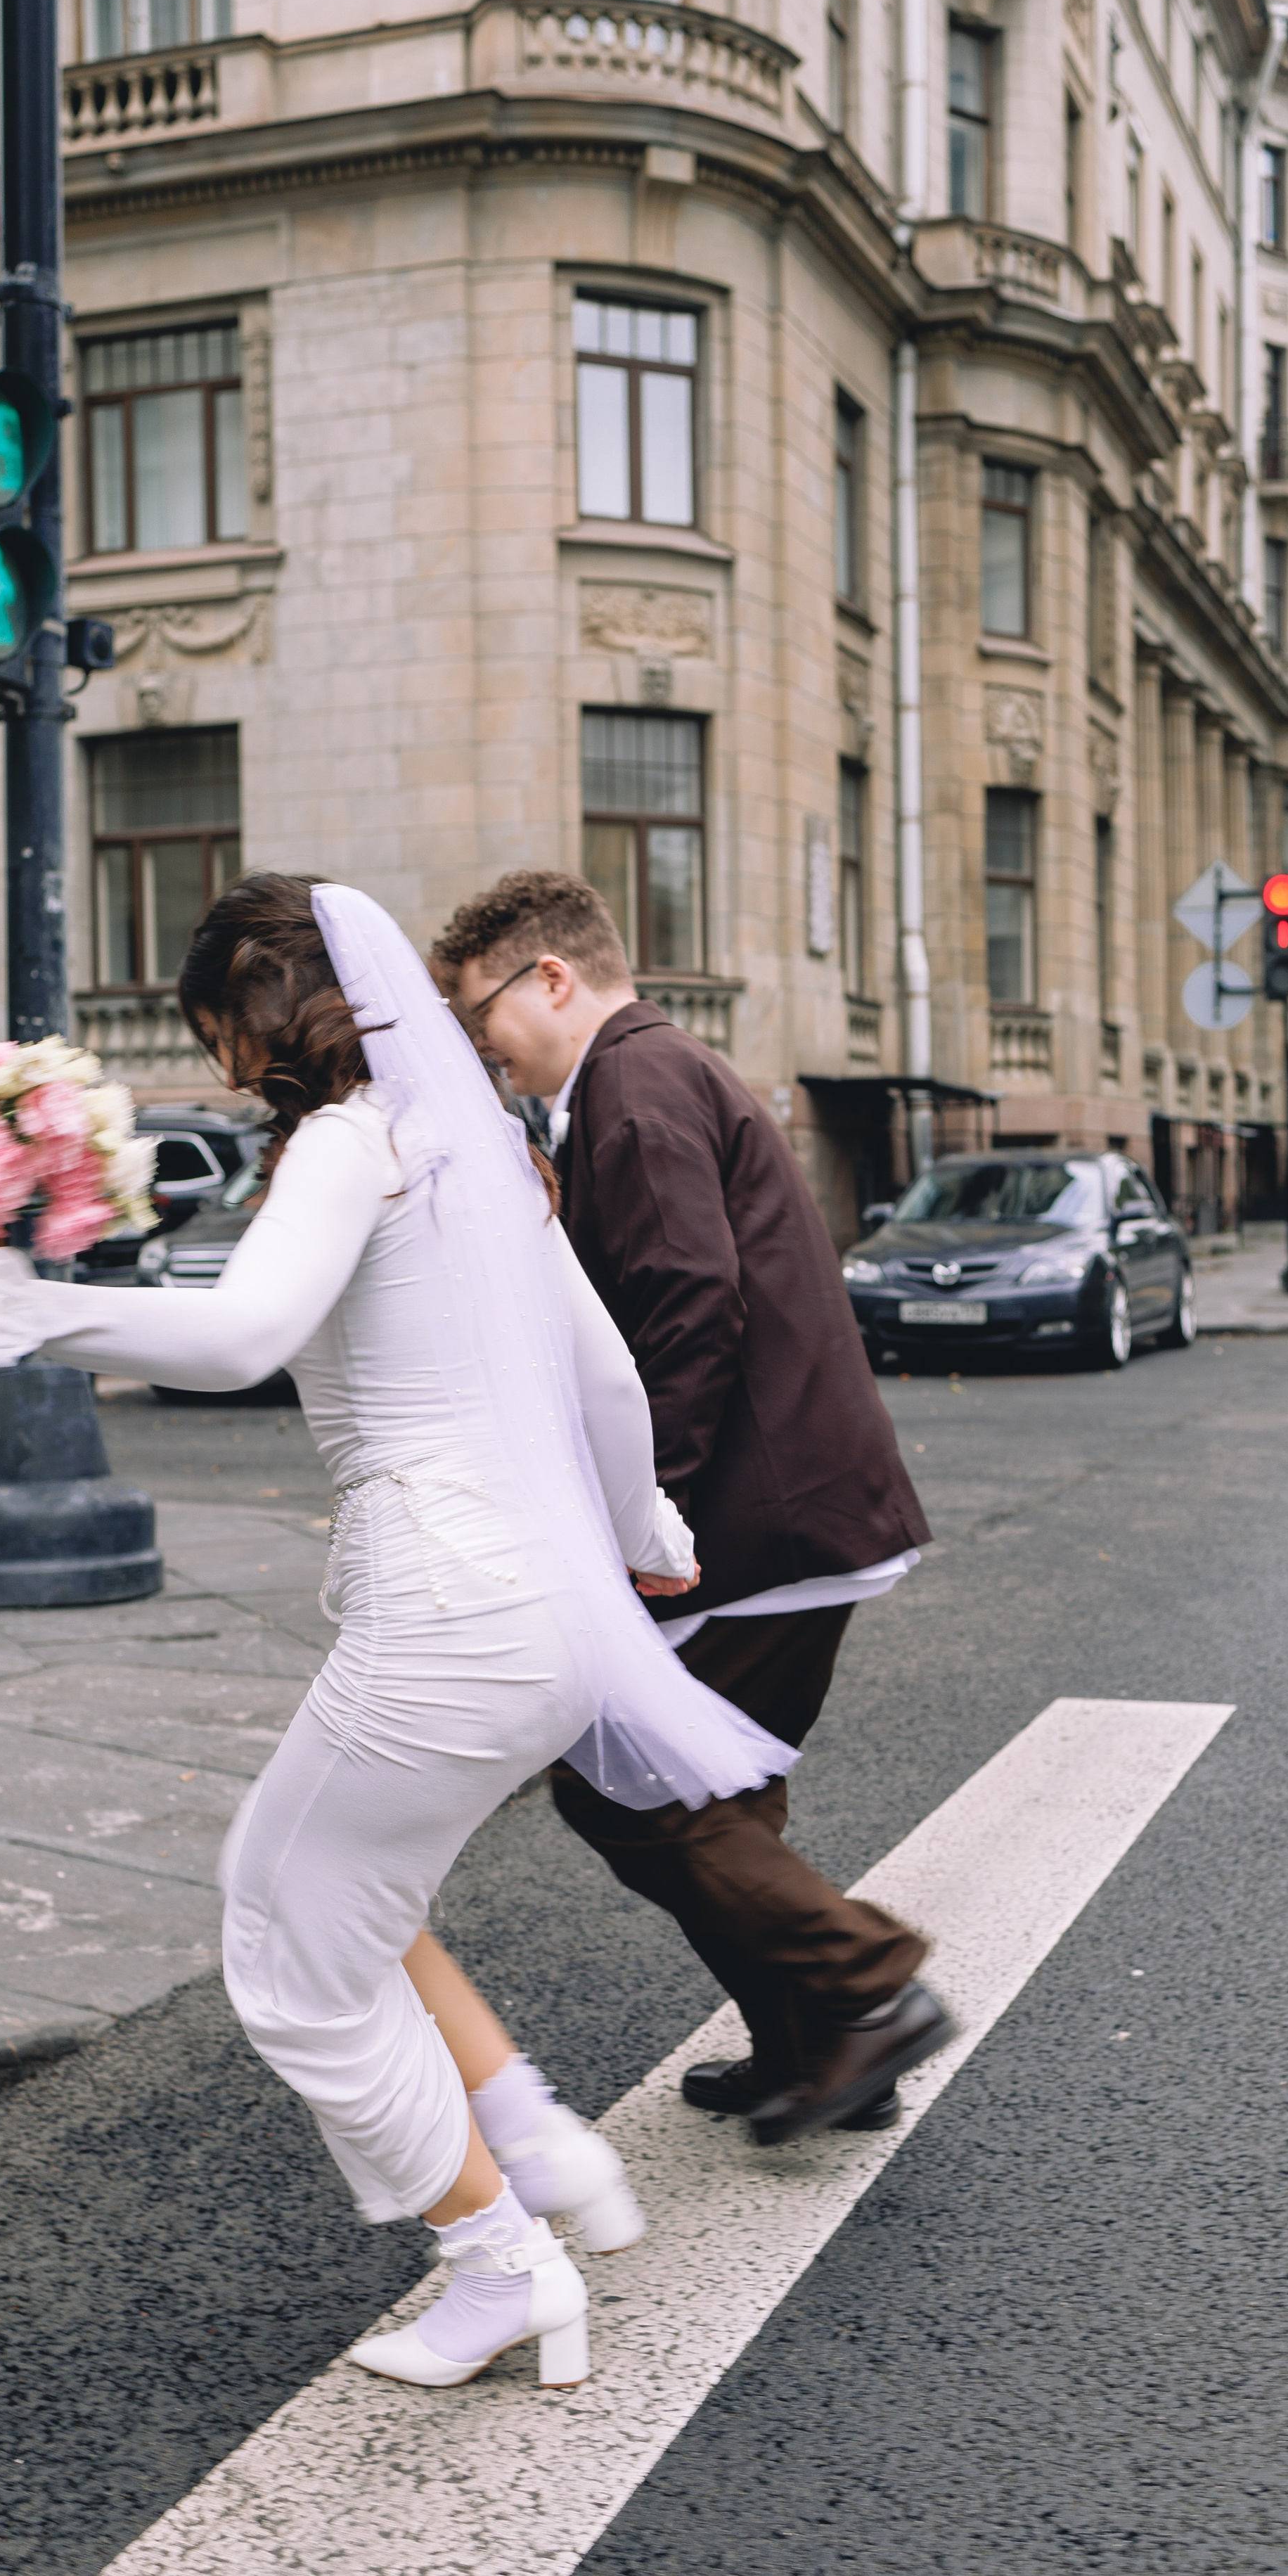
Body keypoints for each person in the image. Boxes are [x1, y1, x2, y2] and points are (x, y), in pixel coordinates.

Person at [0, 873, 799, 2395]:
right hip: (550, 1623)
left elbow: (242, 1334)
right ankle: (534, 2148)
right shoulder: (489, 1157)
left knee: (286, 1952)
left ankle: (501, 2263)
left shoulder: (349, 1142)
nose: (225, 1063)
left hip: (442, 1619)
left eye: (219, 1030)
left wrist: (1, 1302)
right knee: (353, 1903)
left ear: (263, 1019)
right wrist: (646, 1538)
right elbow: (612, 1383)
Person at [429, 870, 953, 2147]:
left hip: (759, 1518)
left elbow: (686, 1306)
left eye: (482, 1012)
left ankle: (867, 1988)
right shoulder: (643, 1077)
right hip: (796, 1508)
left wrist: (638, 1520)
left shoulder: (633, 1080)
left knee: (636, 1793)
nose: (483, 1046)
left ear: (553, 978)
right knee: (719, 1795)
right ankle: (820, 2043)